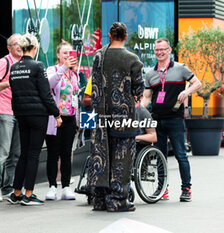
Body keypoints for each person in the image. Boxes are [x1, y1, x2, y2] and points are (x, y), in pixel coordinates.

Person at [88, 22, 144, 212]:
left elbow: (94, 83)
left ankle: (100, 199)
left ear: (110, 36)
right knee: (122, 158)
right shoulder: (132, 59)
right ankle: (117, 200)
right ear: (125, 37)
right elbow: (138, 88)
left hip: (102, 114)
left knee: (102, 155)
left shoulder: (98, 56)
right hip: (124, 116)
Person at [141, 37, 201, 202]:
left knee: (181, 155)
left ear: (169, 50)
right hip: (157, 120)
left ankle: (186, 189)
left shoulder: (180, 68)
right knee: (160, 156)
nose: (159, 52)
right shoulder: (150, 73)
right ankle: (162, 189)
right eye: (157, 50)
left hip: (175, 119)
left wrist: (187, 92)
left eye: (163, 49)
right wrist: (139, 110)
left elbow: (198, 83)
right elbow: (147, 97)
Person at [7, 33, 62, 206]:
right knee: (33, 155)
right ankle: (29, 194)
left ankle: (16, 192)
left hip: (21, 115)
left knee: (23, 154)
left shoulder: (14, 68)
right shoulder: (38, 66)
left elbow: (14, 94)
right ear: (35, 48)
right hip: (38, 115)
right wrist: (57, 114)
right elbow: (46, 95)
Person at [0, 34, 23, 201]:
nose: (19, 46)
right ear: (9, 47)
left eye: (22, 43)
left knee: (15, 153)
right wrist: (9, 82)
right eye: (16, 44)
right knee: (2, 151)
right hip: (5, 111)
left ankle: (8, 187)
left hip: (20, 112)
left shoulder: (24, 63)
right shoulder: (4, 62)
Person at [45, 41, 79, 201]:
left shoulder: (74, 74)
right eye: (65, 53)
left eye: (70, 53)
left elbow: (75, 97)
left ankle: (66, 186)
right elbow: (50, 84)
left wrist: (77, 120)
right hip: (55, 119)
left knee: (67, 153)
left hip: (70, 118)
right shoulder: (52, 70)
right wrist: (64, 67)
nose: (68, 56)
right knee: (53, 153)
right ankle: (52, 186)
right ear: (58, 55)